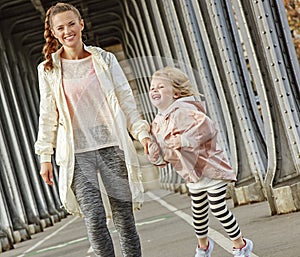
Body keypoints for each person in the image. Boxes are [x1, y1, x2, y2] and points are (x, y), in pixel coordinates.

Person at [34, 2, 150, 257]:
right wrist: (45, 156)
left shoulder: (104, 59)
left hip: (111, 144)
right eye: (61, 27)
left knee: (124, 219)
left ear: (81, 24)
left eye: (71, 24)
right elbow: (47, 116)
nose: (67, 31)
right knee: (95, 220)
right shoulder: (48, 69)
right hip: (77, 152)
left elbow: (125, 101)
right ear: (54, 32)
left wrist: (142, 133)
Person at [147, 67, 253, 257]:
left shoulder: (185, 110)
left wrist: (184, 140)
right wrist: (155, 154)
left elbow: (207, 128)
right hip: (193, 175)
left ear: (176, 93)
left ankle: (241, 244)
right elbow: (163, 150)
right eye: (152, 87)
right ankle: (203, 247)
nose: (154, 90)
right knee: (198, 214)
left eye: (161, 87)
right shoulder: (158, 122)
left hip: (210, 168)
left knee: (218, 208)